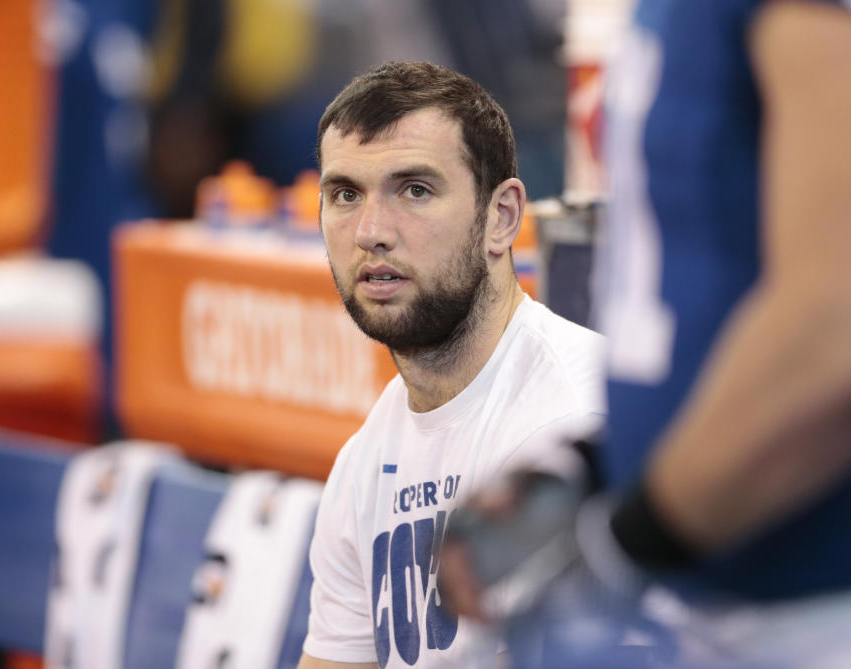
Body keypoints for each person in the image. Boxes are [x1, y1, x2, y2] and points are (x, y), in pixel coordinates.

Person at [440, 0, 851, 666]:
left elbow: (833, 325)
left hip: (810, 610)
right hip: (726, 600)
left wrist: (626, 542)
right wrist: (602, 464)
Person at [297, 61, 607, 668]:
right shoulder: (364, 462)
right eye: (345, 195)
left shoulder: (573, 421)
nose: (371, 231)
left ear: (502, 218)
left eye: (415, 189)